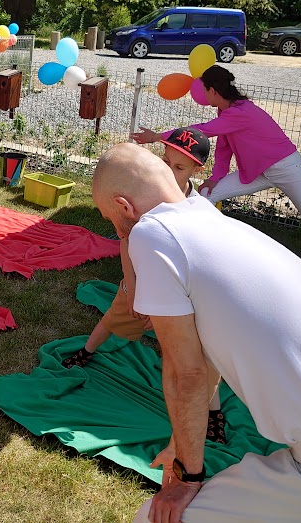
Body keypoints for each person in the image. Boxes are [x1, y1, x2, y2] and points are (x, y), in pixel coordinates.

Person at [90, 144, 301, 523]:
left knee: (155, 518)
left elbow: (185, 372)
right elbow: (206, 361)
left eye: (111, 219)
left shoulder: (150, 233)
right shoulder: (209, 217)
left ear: (124, 206)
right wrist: (179, 446)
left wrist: (186, 477)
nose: (117, 231)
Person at [132, 65, 301, 300]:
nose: (202, 95)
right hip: (260, 172)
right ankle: (192, 250)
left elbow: (202, 131)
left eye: (204, 90)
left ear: (212, 90)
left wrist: (157, 137)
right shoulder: (226, 112)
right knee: (206, 195)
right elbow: (224, 148)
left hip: (287, 169)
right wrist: (215, 178)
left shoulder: (240, 112)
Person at [63, 129, 227, 445]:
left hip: (185, 294)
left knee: (202, 357)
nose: (169, 171)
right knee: (115, 315)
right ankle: (87, 350)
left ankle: (213, 413)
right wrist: (134, 288)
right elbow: (127, 240)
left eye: (179, 167)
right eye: (165, 162)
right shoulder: (144, 202)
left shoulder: (199, 209)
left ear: (197, 170)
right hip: (140, 279)